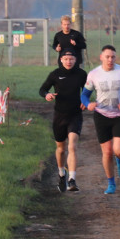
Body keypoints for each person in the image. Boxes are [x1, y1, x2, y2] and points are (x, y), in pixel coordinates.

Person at [81, 45, 120, 194]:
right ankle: (111, 183)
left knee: (119, 150)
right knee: (107, 152)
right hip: (101, 116)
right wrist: (88, 104)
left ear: (116, 57)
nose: (110, 59)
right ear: (101, 57)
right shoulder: (94, 74)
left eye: (113, 57)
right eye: (107, 57)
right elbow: (84, 95)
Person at [39, 48, 89, 192]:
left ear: (76, 60)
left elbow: (88, 90)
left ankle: (72, 180)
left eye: (71, 59)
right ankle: (62, 174)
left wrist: (85, 100)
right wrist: (47, 95)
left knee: (72, 146)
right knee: (61, 149)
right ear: (61, 60)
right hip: (59, 116)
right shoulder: (55, 74)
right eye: (66, 59)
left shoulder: (81, 74)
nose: (69, 61)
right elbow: (42, 89)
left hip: (75, 115)